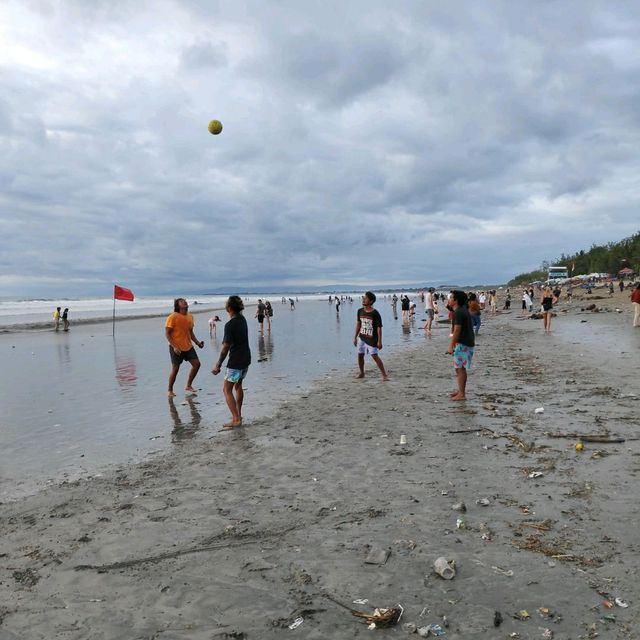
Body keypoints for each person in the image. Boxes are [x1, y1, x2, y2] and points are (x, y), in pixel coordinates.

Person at [212, 295, 251, 428]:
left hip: (236, 362)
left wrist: (218, 365)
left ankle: (236, 419)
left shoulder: (230, 325)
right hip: (246, 358)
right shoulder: (242, 319)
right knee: (238, 386)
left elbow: (225, 347)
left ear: (229, 308)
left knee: (226, 389)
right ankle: (238, 414)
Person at [165, 298, 205, 397]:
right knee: (175, 369)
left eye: (185, 301)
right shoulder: (172, 317)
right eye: (182, 302)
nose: (185, 302)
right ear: (178, 305)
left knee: (197, 364)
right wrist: (174, 347)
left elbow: (190, 333)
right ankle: (170, 390)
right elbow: (167, 334)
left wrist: (198, 343)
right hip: (176, 347)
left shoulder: (190, 316)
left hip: (188, 346)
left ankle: (188, 385)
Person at [353, 291, 389, 381]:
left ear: (371, 301)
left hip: (372, 339)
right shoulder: (360, 311)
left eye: (366, 298)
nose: (363, 299)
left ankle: (384, 375)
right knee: (360, 355)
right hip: (361, 337)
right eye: (363, 298)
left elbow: (379, 328)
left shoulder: (375, 313)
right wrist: (355, 337)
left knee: (374, 356)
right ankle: (361, 372)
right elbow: (358, 324)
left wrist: (380, 341)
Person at [446, 290, 475, 401]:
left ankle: (462, 394)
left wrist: (450, 346)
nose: (449, 299)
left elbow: (457, 330)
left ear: (456, 300)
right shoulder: (461, 310)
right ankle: (460, 391)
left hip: (464, 343)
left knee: (460, 368)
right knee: (459, 368)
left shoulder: (459, 312)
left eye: (451, 298)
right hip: (466, 342)